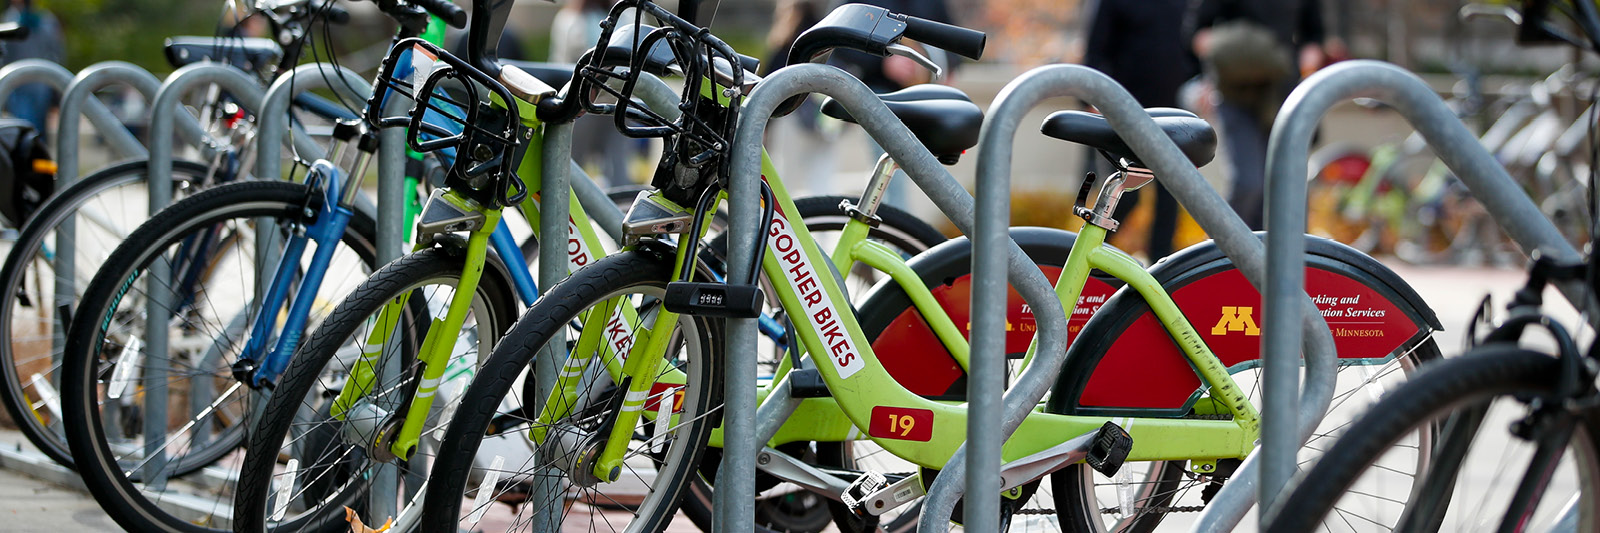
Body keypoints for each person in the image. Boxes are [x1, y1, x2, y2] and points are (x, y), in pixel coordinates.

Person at [1185, 0, 1324, 230]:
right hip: (1234, 93)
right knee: (1248, 183)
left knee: (1288, 186)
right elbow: (1197, 35)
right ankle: (1225, 254)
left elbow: (1315, 35)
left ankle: (1287, 260)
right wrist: (1235, 52)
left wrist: (1308, 57)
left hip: (1282, 94)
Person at [1082, 0, 1198, 259]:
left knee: (1169, 197)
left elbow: (1193, 52)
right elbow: (1095, 52)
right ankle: (1084, 258)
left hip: (1172, 115)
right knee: (1124, 195)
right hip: (1122, 113)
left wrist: (1199, 86)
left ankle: (1161, 269)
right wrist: (1093, 98)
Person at [826, 0, 957, 208]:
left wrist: (949, 68)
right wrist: (883, 62)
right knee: (891, 175)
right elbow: (838, 37)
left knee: (925, 172)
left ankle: (902, 233)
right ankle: (894, 233)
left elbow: (952, 34)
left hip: (925, 95)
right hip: (881, 93)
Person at [550, 0, 635, 187]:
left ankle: (616, 209)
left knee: (617, 163)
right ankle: (572, 208)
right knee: (574, 162)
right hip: (583, 100)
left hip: (618, 100)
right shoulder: (570, 19)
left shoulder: (626, 16)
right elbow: (561, 61)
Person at [763, 0, 839, 197]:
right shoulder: (827, 41)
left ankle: (780, 224)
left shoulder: (786, 47)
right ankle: (822, 222)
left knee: (784, 177)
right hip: (825, 121)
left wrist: (764, 126)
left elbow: (767, 87)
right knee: (821, 177)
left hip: (792, 116)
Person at [0, 0, 62, 136]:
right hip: (17, 82)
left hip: (40, 82)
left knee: (38, 127)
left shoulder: (45, 20)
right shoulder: (9, 19)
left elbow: (56, 51)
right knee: (23, 125)